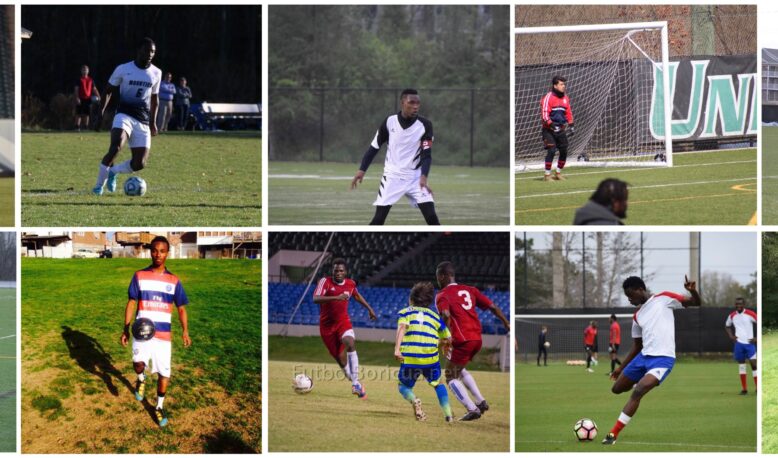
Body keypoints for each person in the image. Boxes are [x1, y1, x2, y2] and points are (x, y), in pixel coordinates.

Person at [602, 275, 701, 445]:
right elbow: (637, 346)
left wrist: (693, 292)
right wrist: (620, 368)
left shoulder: (664, 299)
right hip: (643, 358)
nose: (630, 300)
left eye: (631, 295)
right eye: (627, 297)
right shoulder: (637, 317)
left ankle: (613, 434)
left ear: (641, 289)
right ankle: (641, 379)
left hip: (663, 359)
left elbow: (695, 302)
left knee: (638, 392)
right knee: (616, 389)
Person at [120, 236, 191, 428]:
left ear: (168, 253)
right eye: (154, 250)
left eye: (162, 251)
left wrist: (185, 331)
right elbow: (131, 303)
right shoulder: (139, 276)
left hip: (163, 336)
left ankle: (159, 407)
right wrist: (125, 329)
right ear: (150, 252)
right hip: (141, 332)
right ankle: (141, 378)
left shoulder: (174, 280)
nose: (158, 254)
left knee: (164, 374)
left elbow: (181, 308)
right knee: (138, 364)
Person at [351, 88, 440, 225]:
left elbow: (426, 155)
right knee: (378, 219)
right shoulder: (389, 122)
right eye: (411, 103)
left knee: (432, 218)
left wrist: (424, 176)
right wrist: (361, 170)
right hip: (392, 177)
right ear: (403, 103)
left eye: (418, 103)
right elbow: (374, 147)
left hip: (416, 178)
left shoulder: (425, 125)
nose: (415, 106)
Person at [435, 261, 511, 421]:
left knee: (450, 376)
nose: (437, 280)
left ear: (442, 276)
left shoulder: (443, 295)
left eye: (438, 277)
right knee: (459, 368)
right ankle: (481, 402)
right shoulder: (470, 290)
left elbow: (446, 315)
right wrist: (506, 322)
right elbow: (493, 307)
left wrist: (445, 337)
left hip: (462, 339)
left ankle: (472, 409)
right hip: (477, 338)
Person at [92, 37, 161, 196]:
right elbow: (108, 91)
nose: (150, 54)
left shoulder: (156, 73)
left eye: (153, 52)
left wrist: (153, 122)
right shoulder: (123, 69)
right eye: (147, 50)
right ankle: (98, 187)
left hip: (142, 120)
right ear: (139, 50)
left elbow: (154, 99)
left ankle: (113, 172)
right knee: (116, 147)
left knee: (140, 163)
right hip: (124, 115)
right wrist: (100, 113)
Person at [312, 258, 377, 398]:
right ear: (332, 271)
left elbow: (357, 295)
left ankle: (355, 384)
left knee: (350, 342)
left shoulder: (350, 284)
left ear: (345, 272)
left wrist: (369, 308)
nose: (338, 273)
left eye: (341, 271)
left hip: (343, 322)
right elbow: (316, 298)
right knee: (341, 361)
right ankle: (356, 383)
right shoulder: (325, 282)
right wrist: (336, 297)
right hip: (327, 327)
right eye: (336, 270)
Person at [394, 281, 454, 423]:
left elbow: (402, 327)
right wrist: (444, 345)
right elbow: (448, 337)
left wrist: (397, 349)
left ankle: (414, 400)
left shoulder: (405, 312)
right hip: (430, 358)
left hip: (411, 357)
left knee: (403, 386)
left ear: (411, 299)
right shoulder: (435, 317)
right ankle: (448, 415)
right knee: (438, 384)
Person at [540, 75, 574, 181]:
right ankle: (547, 175)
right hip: (548, 130)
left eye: (564, 84)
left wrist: (571, 125)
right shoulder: (548, 97)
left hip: (561, 130)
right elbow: (544, 114)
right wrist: (551, 125)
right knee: (552, 150)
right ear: (555, 86)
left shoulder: (565, 98)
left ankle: (558, 173)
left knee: (564, 151)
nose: (564, 86)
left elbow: (568, 112)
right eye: (561, 84)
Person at [725, 297, 757, 395]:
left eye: (740, 304)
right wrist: (731, 336)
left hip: (749, 344)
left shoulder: (750, 314)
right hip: (738, 344)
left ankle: (758, 388)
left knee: (754, 365)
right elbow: (727, 326)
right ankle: (744, 389)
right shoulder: (732, 315)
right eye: (736, 304)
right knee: (742, 366)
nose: (738, 305)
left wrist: (757, 338)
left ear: (744, 304)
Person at [74, 64, 100, 131]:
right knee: (78, 113)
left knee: (87, 114)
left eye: (86, 70)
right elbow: (76, 89)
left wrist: (99, 96)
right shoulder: (79, 80)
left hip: (88, 99)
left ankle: (85, 127)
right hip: (80, 98)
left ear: (88, 71)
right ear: (81, 71)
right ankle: (77, 127)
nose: (84, 71)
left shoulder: (91, 80)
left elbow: (94, 89)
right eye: (83, 70)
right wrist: (77, 98)